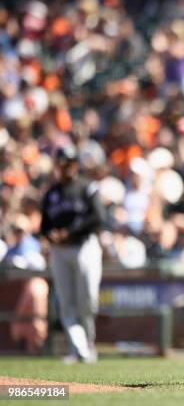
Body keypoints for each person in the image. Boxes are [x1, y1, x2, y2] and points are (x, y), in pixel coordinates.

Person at [40, 145, 105, 364]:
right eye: (62, 163)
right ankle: (78, 350)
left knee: (88, 299)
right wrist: (52, 235)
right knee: (66, 301)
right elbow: (44, 225)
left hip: (84, 246)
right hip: (60, 251)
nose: (65, 168)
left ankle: (88, 343)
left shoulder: (87, 187)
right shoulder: (52, 193)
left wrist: (69, 232)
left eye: (69, 163)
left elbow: (98, 216)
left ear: (76, 164)